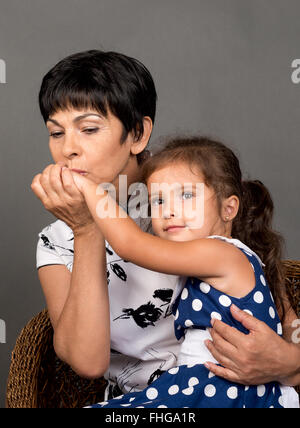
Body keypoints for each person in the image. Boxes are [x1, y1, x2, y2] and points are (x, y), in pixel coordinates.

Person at [31, 50, 300, 403]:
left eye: (90, 129)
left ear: (138, 134)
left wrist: (289, 363)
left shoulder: (186, 205)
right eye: (56, 132)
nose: (68, 149)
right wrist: (86, 230)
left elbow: (276, 312)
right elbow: (88, 361)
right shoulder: (57, 241)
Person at [66, 136, 299, 408]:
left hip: (221, 392)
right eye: (158, 201)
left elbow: (130, 244)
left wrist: (88, 188)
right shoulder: (216, 260)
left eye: (186, 195)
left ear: (229, 208)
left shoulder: (222, 253)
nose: (169, 211)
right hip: (205, 387)